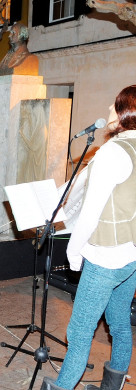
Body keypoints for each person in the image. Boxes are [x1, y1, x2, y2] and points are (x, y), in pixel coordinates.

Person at [40, 86, 136, 390]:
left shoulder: (112, 153)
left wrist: (74, 252)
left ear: (124, 114)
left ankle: (62, 386)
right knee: (119, 322)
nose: (109, 106)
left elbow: (92, 210)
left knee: (79, 332)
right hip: (132, 256)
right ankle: (113, 386)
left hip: (106, 256)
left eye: (115, 105)